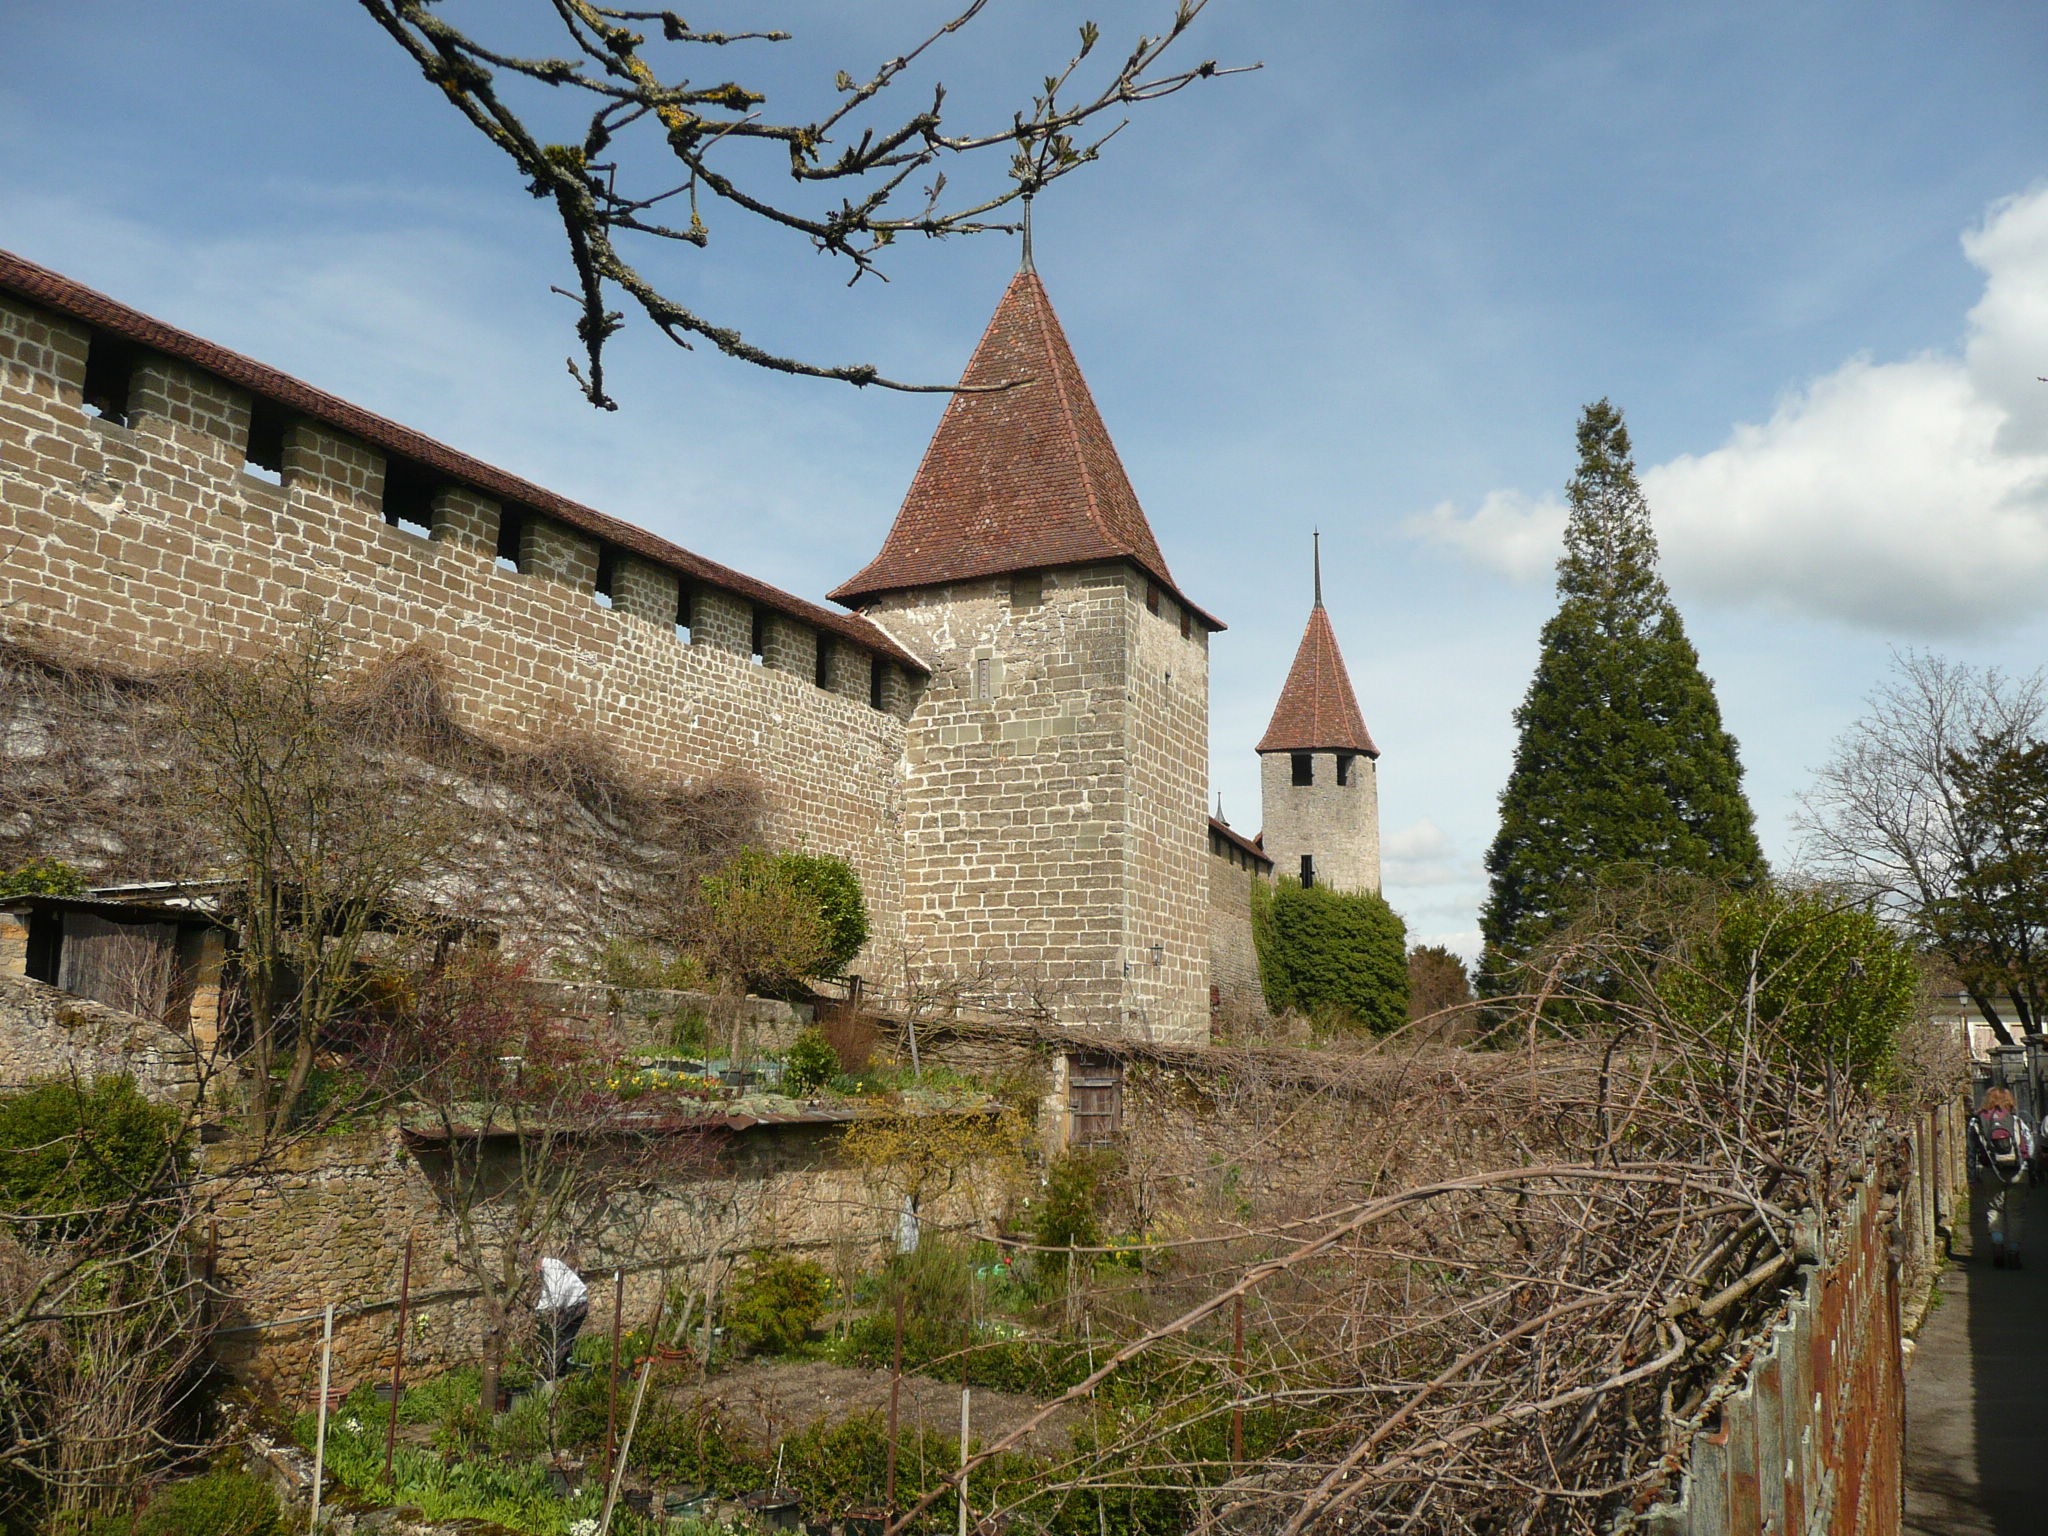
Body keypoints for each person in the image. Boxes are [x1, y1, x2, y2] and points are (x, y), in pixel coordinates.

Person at [1970, 1087, 2035, 1269]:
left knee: (1994, 1209)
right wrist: (2027, 1167)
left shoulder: (1977, 1122)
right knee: (2015, 1213)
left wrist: (1972, 1177)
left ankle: (1997, 1244)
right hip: (2017, 1172)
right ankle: (2013, 1252)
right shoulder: (2016, 1120)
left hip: (1990, 1171)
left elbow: (1971, 1152)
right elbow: (2029, 1146)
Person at [536, 1256, 590, 1379]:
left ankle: (555, 1374)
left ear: (537, 1264)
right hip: (571, 1304)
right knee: (561, 1340)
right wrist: (538, 1310)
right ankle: (560, 1372)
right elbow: (547, 1294)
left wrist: (551, 1311)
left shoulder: (552, 1268)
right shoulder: (546, 1270)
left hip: (576, 1305)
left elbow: (558, 1295)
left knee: (560, 1340)